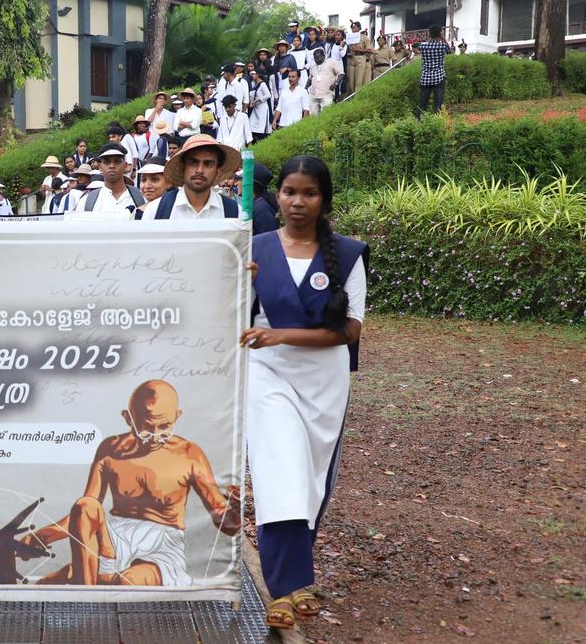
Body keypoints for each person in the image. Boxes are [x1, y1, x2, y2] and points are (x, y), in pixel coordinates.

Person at [239, 155, 368, 630]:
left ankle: (298, 578)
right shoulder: (254, 248)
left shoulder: (348, 254)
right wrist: (240, 281)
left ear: (323, 199)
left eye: (308, 193)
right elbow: (231, 311)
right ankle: (282, 588)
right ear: (278, 196)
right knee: (280, 472)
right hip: (267, 373)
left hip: (325, 380)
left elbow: (349, 332)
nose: (297, 201)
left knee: (312, 479)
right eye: (290, 191)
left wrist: (282, 334)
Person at [21, 380, 240, 585]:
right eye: (146, 427)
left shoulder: (190, 455)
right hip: (114, 539)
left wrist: (237, 508)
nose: (155, 437)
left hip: (161, 544)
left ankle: (86, 575)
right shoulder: (110, 449)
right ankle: (89, 590)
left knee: (129, 582)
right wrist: (42, 535)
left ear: (177, 416)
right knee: (85, 506)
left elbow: (225, 523)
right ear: (128, 418)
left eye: (164, 427)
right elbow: (85, 513)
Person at [141, 134, 240, 220]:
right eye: (193, 163)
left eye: (208, 164)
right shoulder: (155, 210)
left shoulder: (234, 212)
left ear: (218, 172)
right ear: (182, 168)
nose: (200, 170)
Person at [73, 142, 144, 216]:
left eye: (117, 161)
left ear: (125, 166)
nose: (112, 166)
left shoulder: (140, 198)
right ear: (100, 167)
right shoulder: (86, 202)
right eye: (107, 162)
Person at [416, 25, 453, 116]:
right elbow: (449, 52)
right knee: (438, 104)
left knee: (423, 104)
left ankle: (419, 122)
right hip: (439, 77)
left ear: (429, 34)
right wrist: (443, 38)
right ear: (440, 33)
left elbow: (418, 48)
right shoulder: (443, 46)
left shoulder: (423, 47)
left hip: (425, 78)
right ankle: (437, 122)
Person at [307, 49, 342, 117]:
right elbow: (310, 78)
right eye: (315, 58)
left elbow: (341, 74)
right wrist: (305, 88)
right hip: (314, 95)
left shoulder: (331, 62)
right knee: (313, 117)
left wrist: (335, 84)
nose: (317, 60)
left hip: (326, 94)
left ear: (324, 56)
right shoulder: (313, 66)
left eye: (319, 57)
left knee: (326, 116)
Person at [344, 21, 372, 95]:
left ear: (359, 28)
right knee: (351, 82)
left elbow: (369, 50)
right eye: (352, 28)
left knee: (359, 80)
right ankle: (352, 97)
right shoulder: (348, 37)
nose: (353, 29)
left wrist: (357, 49)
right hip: (351, 59)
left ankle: (358, 97)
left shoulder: (364, 37)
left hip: (360, 57)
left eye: (354, 27)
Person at [247, 69, 274, 142]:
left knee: (261, 127)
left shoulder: (263, 84)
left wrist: (258, 99)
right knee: (251, 124)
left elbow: (268, 95)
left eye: (253, 74)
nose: (252, 75)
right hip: (255, 108)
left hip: (263, 109)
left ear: (257, 75)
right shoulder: (254, 84)